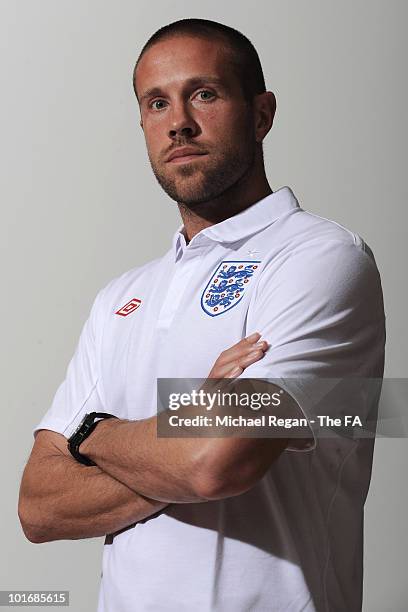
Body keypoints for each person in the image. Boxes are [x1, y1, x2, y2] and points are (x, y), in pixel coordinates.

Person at [18, 18, 385, 612]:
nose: (178, 122)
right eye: (156, 103)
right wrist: (193, 416)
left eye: (204, 94)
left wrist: (92, 432)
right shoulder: (119, 298)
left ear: (261, 113)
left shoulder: (319, 257)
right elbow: (39, 507)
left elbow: (217, 462)